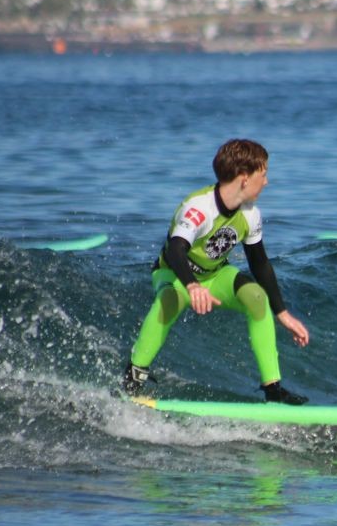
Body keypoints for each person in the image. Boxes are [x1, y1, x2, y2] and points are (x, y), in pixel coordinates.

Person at [121, 138, 310, 404]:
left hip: (214, 275)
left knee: (257, 297)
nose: (266, 182)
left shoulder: (250, 214)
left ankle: (273, 389)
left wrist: (282, 313)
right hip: (174, 274)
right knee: (168, 299)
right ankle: (133, 377)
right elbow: (176, 250)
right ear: (244, 178)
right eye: (263, 174)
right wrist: (191, 285)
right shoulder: (200, 208)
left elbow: (259, 263)